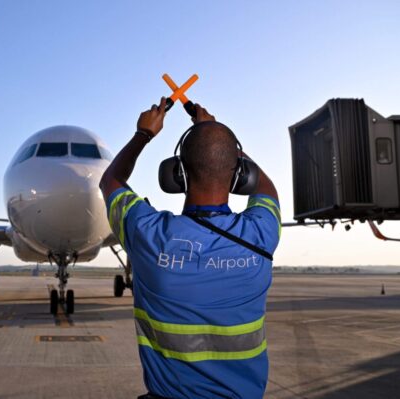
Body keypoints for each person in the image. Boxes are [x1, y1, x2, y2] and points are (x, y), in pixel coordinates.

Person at [99, 97, 281, 399]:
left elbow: (111, 180)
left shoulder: (148, 235)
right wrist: (212, 129)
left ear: (177, 173)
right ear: (239, 175)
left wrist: (143, 134)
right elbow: (266, 188)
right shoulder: (260, 235)